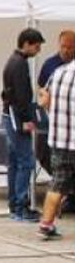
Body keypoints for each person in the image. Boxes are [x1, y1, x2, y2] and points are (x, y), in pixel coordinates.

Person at [2, 28, 46, 222]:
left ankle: (15, 205)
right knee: (26, 161)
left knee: (14, 162)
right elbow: (21, 96)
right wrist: (27, 120)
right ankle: (21, 207)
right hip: (16, 117)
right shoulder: (19, 64)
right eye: (36, 46)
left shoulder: (14, 61)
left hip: (10, 114)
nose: (38, 50)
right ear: (26, 43)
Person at [38, 55, 75, 240]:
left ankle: (46, 224)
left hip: (60, 140)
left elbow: (43, 99)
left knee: (57, 183)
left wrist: (54, 112)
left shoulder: (58, 73)